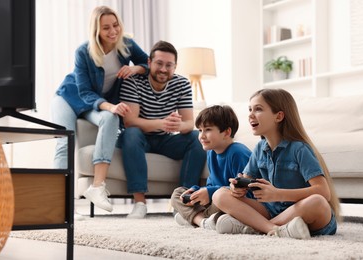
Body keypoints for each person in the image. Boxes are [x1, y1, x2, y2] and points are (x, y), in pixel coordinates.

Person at [51, 6, 149, 212]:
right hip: (69, 97)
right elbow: (85, 92)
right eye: (106, 28)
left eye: (115, 25)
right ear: (96, 30)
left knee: (110, 118)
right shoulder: (83, 52)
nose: (113, 31)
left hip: (96, 102)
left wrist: (135, 68)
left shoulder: (126, 45)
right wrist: (111, 106)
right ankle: (61, 205)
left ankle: (97, 187)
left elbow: (146, 62)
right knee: (64, 143)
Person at [212, 88, 341, 239]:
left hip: (303, 212)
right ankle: (272, 228)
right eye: (250, 110)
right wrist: (237, 187)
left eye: (258, 109)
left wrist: (277, 194)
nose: (250, 115)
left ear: (279, 116)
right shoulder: (260, 148)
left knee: (317, 202)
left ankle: (256, 227)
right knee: (220, 194)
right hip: (272, 211)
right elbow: (245, 179)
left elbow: (323, 192)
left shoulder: (299, 149)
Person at [118, 40, 207, 219]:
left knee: (197, 137)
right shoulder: (133, 82)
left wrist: (178, 126)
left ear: (175, 67)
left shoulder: (181, 84)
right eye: (159, 63)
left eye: (169, 65)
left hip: (165, 139)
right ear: (149, 62)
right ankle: (139, 203)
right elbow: (130, 121)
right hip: (138, 138)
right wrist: (161, 123)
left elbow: (189, 123)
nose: (164, 69)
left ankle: (183, 202)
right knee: (131, 134)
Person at [170, 105, 252, 229]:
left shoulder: (238, 153)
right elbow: (211, 184)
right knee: (178, 193)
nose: (202, 136)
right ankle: (203, 220)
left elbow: (244, 192)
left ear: (226, 132)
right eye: (200, 130)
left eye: (207, 129)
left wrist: (210, 192)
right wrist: (197, 191)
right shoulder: (211, 152)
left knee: (219, 201)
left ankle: (195, 218)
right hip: (214, 202)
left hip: (230, 201)